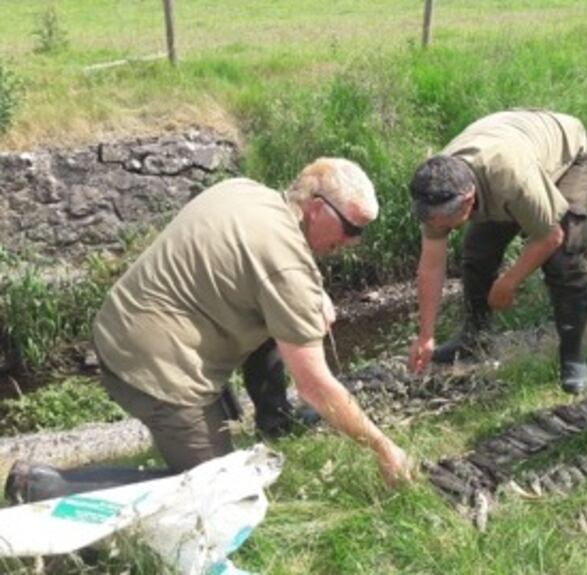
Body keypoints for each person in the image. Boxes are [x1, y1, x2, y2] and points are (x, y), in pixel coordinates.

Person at [4, 159, 413, 504]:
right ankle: (44, 486)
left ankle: (274, 420)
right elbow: (315, 386)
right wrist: (383, 447)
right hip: (151, 371)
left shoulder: (247, 191)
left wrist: (313, 293)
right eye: (352, 229)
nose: (353, 242)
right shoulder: (285, 267)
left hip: (119, 327)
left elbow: (270, 264)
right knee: (222, 498)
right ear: (317, 207)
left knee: (281, 325)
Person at [406, 110, 587, 394]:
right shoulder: (435, 191)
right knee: (477, 253)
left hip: (567, 155)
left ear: (468, 201)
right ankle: (474, 338)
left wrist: (508, 282)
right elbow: (431, 267)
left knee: (562, 262)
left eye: (445, 220)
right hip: (513, 144)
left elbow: (550, 236)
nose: (439, 227)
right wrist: (426, 335)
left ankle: (572, 357)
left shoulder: (512, 179)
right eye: (432, 220)